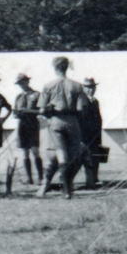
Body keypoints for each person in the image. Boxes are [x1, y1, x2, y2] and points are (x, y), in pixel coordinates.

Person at [38, 55, 90, 199]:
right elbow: (82, 109)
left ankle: (65, 190)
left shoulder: (48, 86)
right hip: (72, 121)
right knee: (74, 154)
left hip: (55, 121)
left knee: (61, 154)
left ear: (55, 68)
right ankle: (68, 189)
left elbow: (42, 110)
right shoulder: (77, 86)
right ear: (67, 68)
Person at [10, 72, 43, 190]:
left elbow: (41, 111)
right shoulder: (18, 97)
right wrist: (16, 113)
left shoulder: (36, 95)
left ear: (28, 82)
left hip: (33, 125)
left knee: (35, 151)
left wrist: (28, 111)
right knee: (24, 152)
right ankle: (29, 178)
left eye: (23, 82)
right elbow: (15, 112)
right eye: (19, 84)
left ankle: (40, 177)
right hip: (22, 126)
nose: (22, 85)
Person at [78, 77, 104, 190]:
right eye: (88, 87)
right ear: (83, 88)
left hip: (95, 135)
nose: (90, 90)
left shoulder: (95, 101)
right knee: (85, 159)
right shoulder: (81, 100)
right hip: (84, 135)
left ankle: (93, 179)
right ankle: (89, 181)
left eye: (92, 87)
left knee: (95, 157)